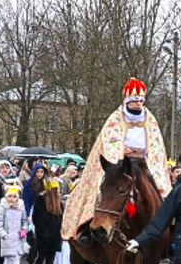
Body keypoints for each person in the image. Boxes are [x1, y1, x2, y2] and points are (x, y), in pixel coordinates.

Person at [62, 77, 172, 245]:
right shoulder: (115, 118)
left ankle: (168, 228)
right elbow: (110, 141)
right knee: (102, 188)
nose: (138, 103)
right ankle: (88, 226)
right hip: (120, 163)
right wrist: (122, 150)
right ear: (127, 100)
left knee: (162, 190)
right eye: (135, 100)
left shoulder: (150, 119)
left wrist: (146, 154)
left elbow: (156, 144)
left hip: (143, 163)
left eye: (141, 100)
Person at [29, 176, 63, 264]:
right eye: (57, 190)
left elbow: (61, 219)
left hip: (55, 234)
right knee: (42, 255)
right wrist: (43, 230)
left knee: (51, 256)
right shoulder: (41, 202)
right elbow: (36, 218)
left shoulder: (59, 205)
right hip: (43, 234)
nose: (59, 192)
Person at [0, 186, 29, 264]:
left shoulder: (21, 209)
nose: (12, 199)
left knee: (17, 258)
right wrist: (3, 234)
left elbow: (24, 221)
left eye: (14, 196)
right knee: (8, 258)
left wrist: (24, 230)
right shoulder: (2, 209)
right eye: (10, 196)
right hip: (7, 237)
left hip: (18, 237)